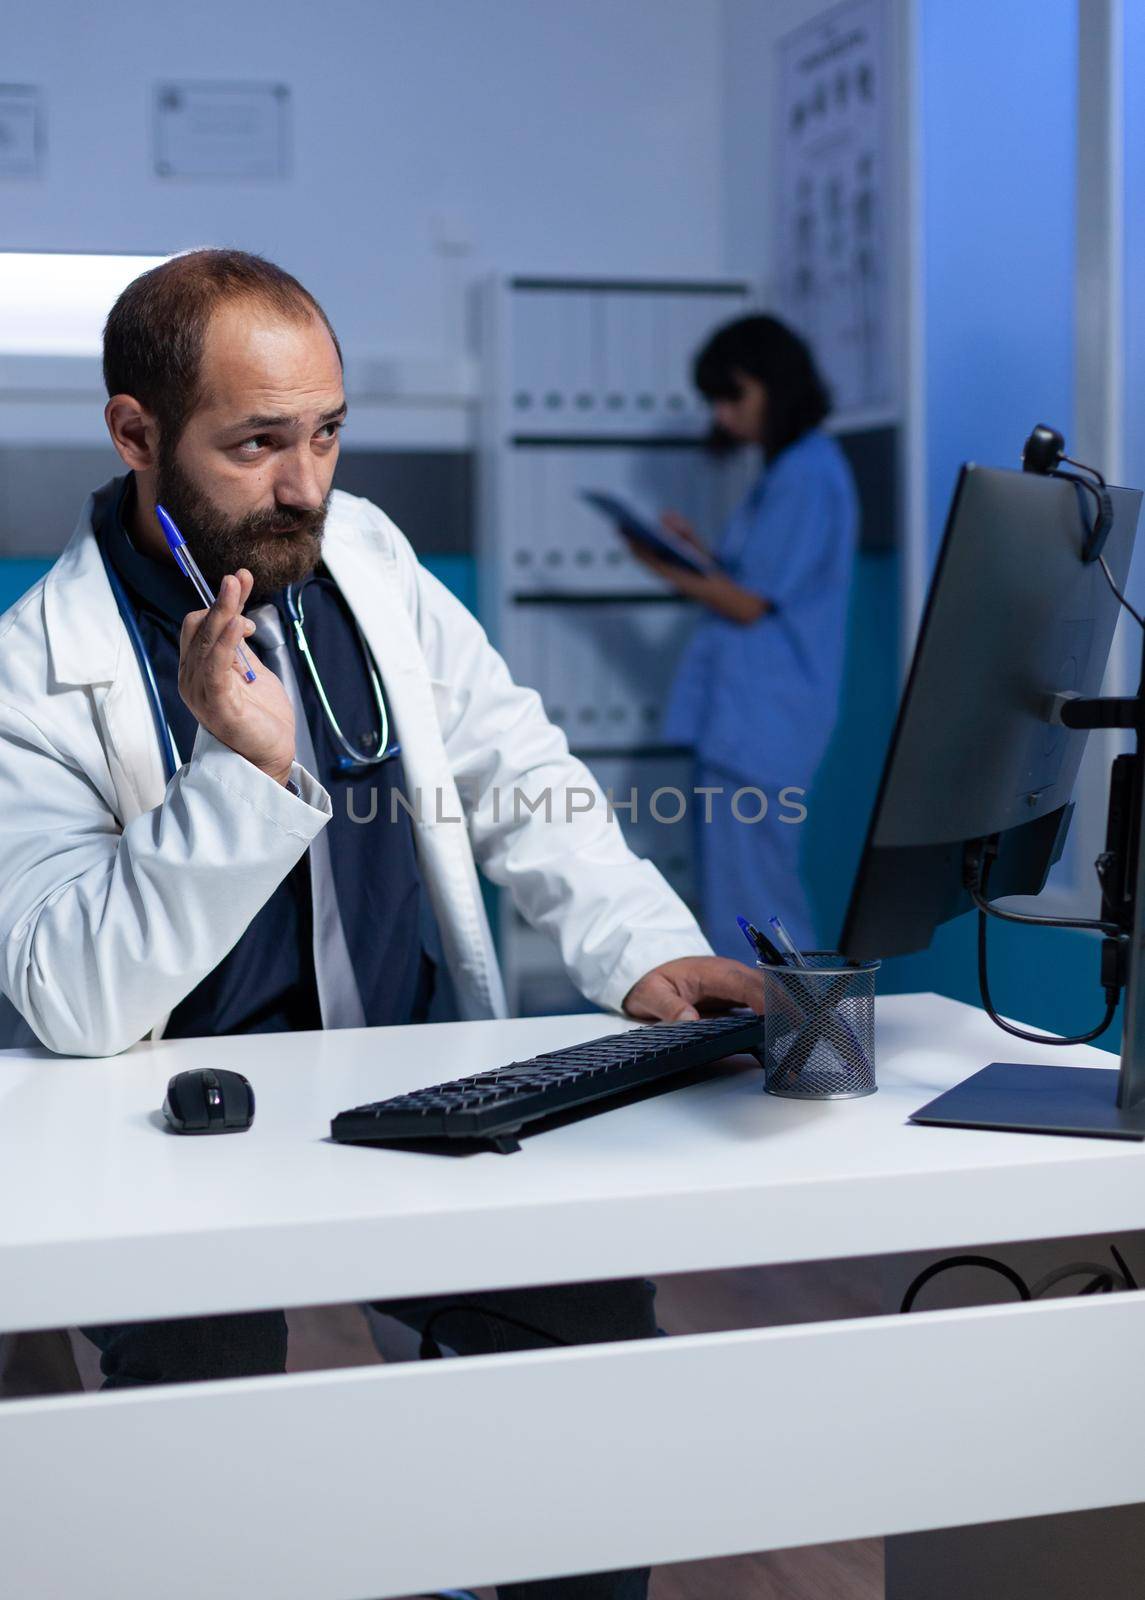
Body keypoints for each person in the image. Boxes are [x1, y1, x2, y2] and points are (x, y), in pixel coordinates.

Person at [0, 250, 760, 1600]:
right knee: (202, 1438)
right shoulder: (33, 675)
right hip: (175, 1136)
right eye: (255, 445)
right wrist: (236, 775)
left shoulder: (363, 559)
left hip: (408, 1079)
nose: (307, 485)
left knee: (582, 1350)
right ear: (135, 434)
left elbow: (511, 761)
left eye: (328, 433)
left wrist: (640, 944)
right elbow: (70, 992)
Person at [630, 314, 859, 958]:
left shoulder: (808, 473)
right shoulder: (789, 471)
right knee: (745, 902)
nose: (724, 419)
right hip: (751, 722)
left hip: (764, 725)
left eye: (733, 398)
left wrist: (668, 568)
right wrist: (696, 555)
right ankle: (784, 1046)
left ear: (772, 385)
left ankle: (815, 1049)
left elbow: (752, 605)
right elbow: (758, 581)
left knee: (760, 905)